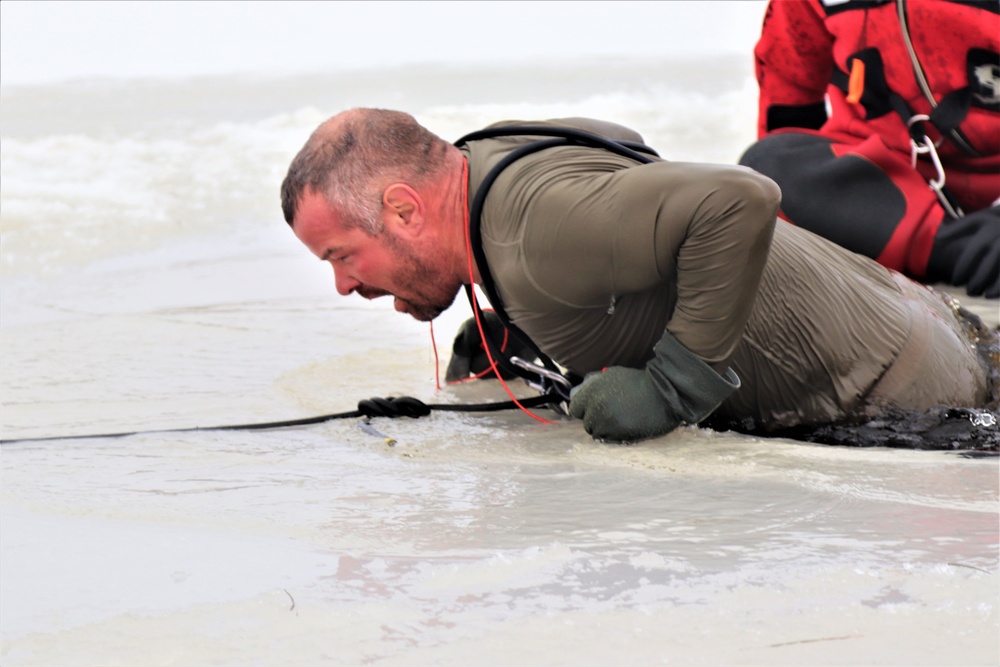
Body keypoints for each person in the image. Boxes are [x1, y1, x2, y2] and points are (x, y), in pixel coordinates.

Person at [280, 108, 998, 445]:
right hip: (913, 312)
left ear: (404, 209)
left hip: (912, 393)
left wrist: (672, 386)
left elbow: (737, 200)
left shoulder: (535, 236)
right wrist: (520, 326)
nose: (344, 285)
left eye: (341, 255)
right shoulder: (485, 160)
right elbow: (620, 147)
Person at [738, 0, 1000, 299]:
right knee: (768, 170)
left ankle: (958, 254)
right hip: (886, 188)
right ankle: (961, 251)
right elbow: (788, 95)